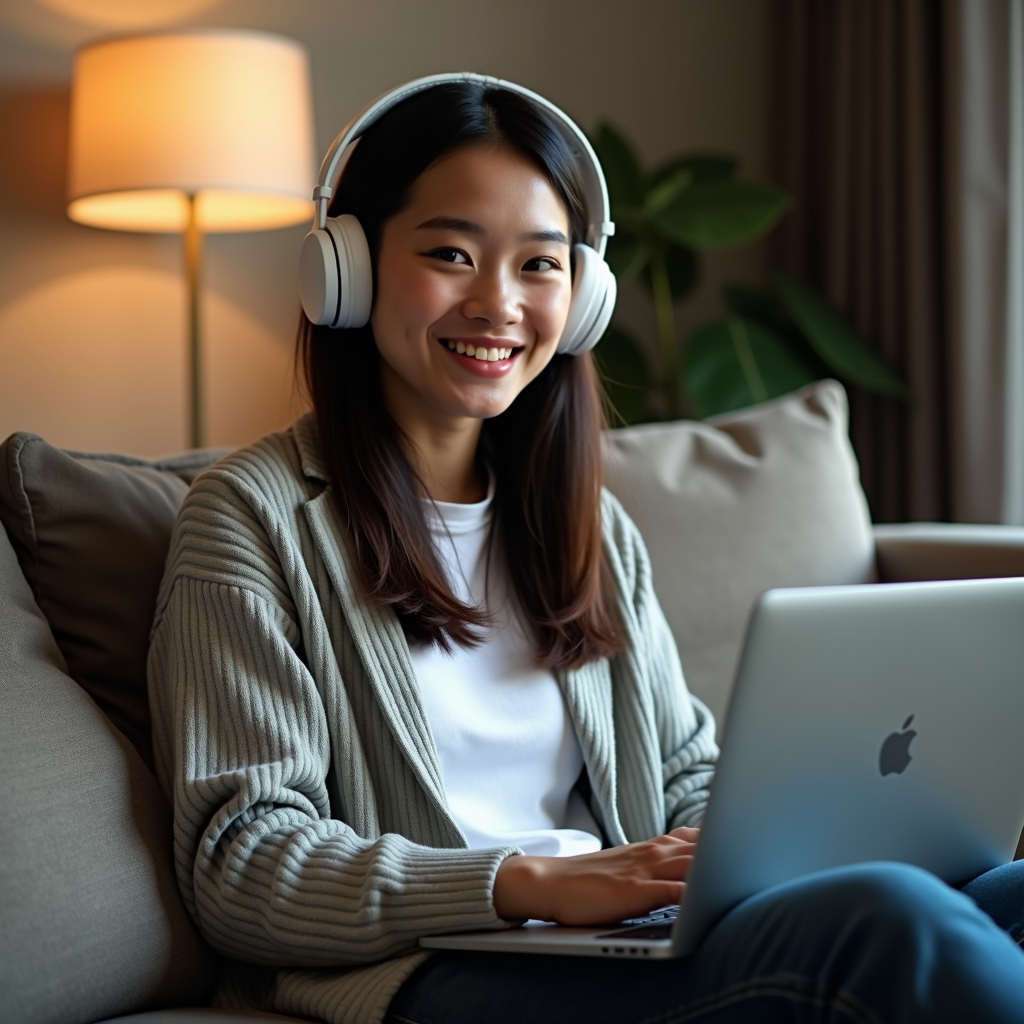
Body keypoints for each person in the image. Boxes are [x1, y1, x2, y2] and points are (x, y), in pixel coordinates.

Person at [148, 75, 1024, 1024]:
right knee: (892, 925)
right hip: (432, 968)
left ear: (585, 295)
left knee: (1001, 890)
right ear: (346, 269)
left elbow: (686, 773)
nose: (499, 303)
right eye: (450, 252)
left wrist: (757, 850)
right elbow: (242, 863)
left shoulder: (591, 526)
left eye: (540, 265)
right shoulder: (252, 522)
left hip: (621, 940)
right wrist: (525, 884)